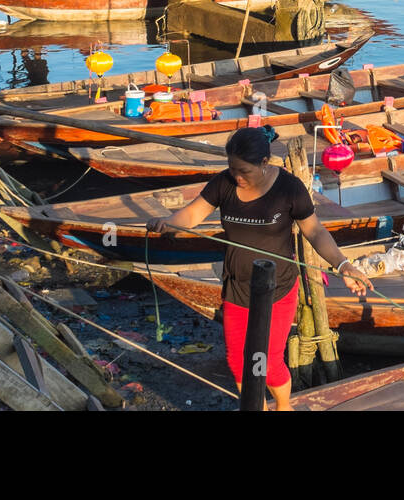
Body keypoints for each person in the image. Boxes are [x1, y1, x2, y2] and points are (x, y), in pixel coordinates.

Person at [148, 127, 372, 411]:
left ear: (265, 164)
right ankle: (258, 408)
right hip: (237, 286)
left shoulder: (289, 188)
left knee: (267, 358)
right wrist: (169, 223)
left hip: (277, 288)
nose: (237, 177)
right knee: (236, 358)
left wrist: (344, 265)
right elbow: (193, 213)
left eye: (244, 171)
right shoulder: (224, 184)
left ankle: (283, 406)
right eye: (232, 169)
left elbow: (314, 231)